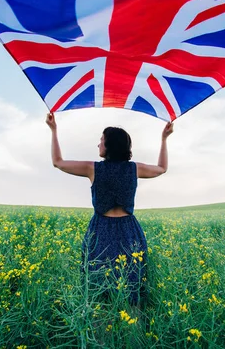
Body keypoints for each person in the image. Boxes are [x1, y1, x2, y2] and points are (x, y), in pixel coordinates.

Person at [45, 113, 174, 308]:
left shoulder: (92, 168)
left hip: (101, 230)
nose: (98, 145)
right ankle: (131, 331)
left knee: (99, 288)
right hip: (129, 231)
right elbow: (162, 168)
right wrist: (164, 139)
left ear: (110, 145)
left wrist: (53, 130)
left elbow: (58, 162)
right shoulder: (134, 169)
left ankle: (102, 333)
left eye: (101, 140)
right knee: (131, 284)